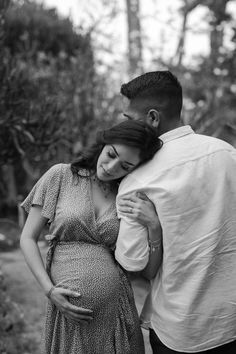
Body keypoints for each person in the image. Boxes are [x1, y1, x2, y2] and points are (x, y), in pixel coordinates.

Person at [115, 70, 236, 353]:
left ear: (153, 118)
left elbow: (132, 262)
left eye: (130, 119)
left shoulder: (138, 179)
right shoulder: (228, 154)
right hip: (230, 321)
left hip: (179, 329)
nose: (127, 126)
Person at [20, 120, 163, 354]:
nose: (111, 167)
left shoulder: (127, 195)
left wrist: (154, 226)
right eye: (111, 154)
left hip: (116, 313)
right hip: (69, 315)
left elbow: (148, 272)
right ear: (104, 142)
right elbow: (27, 238)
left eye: (125, 166)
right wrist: (49, 290)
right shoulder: (61, 176)